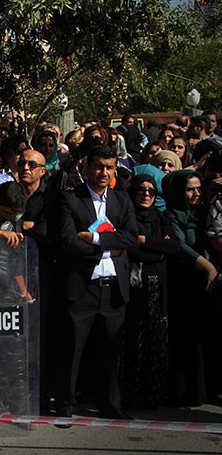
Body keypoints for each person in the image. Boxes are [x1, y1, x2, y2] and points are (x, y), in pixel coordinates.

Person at [56, 145, 138, 420]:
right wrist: (111, 248)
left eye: (110, 167)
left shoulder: (122, 200)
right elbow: (68, 242)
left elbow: (130, 237)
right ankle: (66, 405)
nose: (104, 172)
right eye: (99, 166)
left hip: (113, 288)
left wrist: (95, 239)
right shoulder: (70, 199)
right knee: (72, 350)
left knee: (111, 351)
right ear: (87, 167)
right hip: (82, 288)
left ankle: (111, 405)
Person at [121, 174, 179, 408]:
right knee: (133, 340)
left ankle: (154, 394)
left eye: (151, 191)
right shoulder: (127, 217)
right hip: (134, 289)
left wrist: (146, 241)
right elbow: (131, 248)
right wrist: (158, 248)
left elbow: (174, 246)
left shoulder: (160, 217)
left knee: (156, 339)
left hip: (158, 289)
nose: (146, 195)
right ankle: (132, 393)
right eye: (141, 190)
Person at [162, 170, 216, 406]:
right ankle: (182, 393)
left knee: (205, 339)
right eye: (190, 189)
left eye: (199, 189)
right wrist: (208, 267)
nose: (196, 194)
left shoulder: (205, 213)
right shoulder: (171, 215)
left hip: (207, 284)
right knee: (184, 338)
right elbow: (181, 246)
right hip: (184, 282)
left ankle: (205, 390)